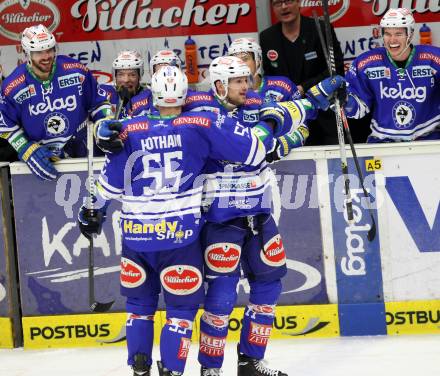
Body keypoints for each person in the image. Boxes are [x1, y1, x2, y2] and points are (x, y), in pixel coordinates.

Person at [78, 66, 290, 376]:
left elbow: (106, 186)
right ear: (186, 94)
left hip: (137, 239)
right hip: (180, 238)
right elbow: (256, 152)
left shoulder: (128, 130)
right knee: (180, 313)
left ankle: (139, 369)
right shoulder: (200, 123)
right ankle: (174, 371)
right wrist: (271, 124)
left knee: (139, 310)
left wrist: (90, 211)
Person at [190, 57, 343, 375]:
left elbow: (296, 110)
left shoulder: (257, 104)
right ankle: (210, 369)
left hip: (259, 214)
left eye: (247, 80)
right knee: (221, 296)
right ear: (219, 86)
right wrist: (280, 141)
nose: (246, 87)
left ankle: (250, 361)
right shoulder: (204, 118)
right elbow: (254, 145)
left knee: (270, 283)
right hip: (221, 221)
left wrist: (320, 94)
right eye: (238, 82)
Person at [0, 24, 112, 179]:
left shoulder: (76, 70)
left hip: (85, 155)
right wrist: (25, 149)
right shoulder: (13, 86)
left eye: (50, 49)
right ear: (27, 54)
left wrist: (105, 123)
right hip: (45, 161)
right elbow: (6, 125)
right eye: (39, 52)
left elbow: (99, 103)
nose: (46, 56)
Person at [343, 8, 440, 142]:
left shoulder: (433, 59)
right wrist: (344, 100)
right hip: (383, 141)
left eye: (398, 34)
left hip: (429, 139)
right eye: (387, 34)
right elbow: (356, 109)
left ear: (410, 35)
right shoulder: (367, 63)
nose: (392, 40)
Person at [259, 0, 345, 145]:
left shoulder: (321, 29)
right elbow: (269, 77)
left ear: (298, 2)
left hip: (323, 114)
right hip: (289, 117)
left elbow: (336, 70)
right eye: (278, 3)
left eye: (288, 1)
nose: (284, 7)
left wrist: (303, 88)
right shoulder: (267, 37)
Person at [227, 37, 302, 103]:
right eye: (235, 60)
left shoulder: (283, 86)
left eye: (245, 59)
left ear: (258, 61)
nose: (240, 63)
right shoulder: (226, 93)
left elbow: (302, 113)